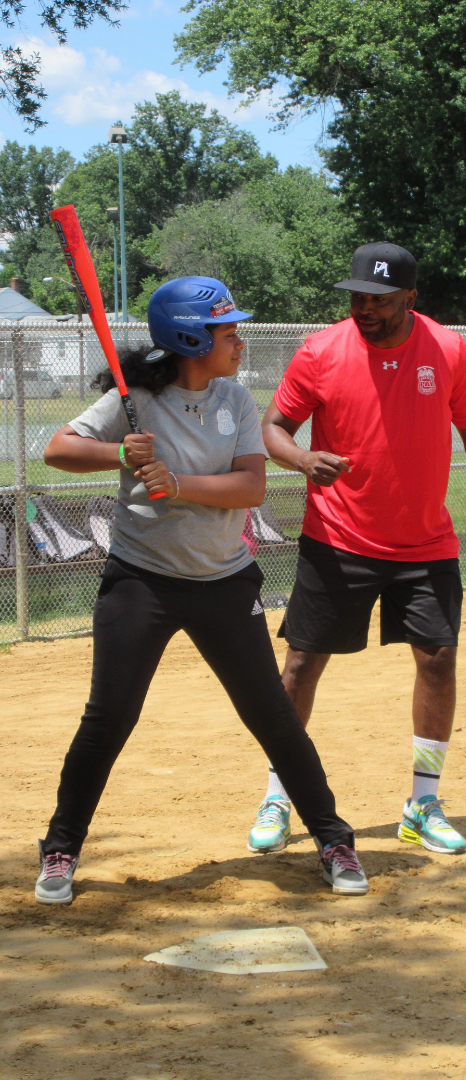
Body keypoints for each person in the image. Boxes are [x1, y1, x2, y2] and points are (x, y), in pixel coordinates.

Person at [35, 277, 366, 905]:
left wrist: (177, 483)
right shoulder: (136, 400)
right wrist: (120, 454)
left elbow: (251, 489)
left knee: (272, 714)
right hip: (141, 581)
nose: (238, 341)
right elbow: (57, 449)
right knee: (109, 718)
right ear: (190, 338)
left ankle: (332, 837)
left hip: (222, 581)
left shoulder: (236, 401)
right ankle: (60, 848)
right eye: (227, 331)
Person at [246, 242, 466, 859]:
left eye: (380, 299)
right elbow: (273, 428)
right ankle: (279, 795)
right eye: (358, 297)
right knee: (301, 667)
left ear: (409, 298)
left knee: (438, 662)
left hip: (425, 541)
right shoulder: (321, 351)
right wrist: (303, 458)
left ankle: (422, 801)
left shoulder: (445, 349)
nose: (365, 308)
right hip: (337, 538)